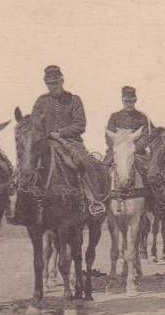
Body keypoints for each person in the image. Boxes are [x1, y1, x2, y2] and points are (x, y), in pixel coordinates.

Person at [25, 64, 105, 218]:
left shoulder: (74, 100)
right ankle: (22, 203)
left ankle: (94, 200)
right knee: (28, 161)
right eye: (49, 84)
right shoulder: (41, 101)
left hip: (71, 141)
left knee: (84, 163)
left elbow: (80, 125)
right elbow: (34, 123)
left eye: (56, 83)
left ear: (62, 81)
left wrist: (60, 133)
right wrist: (44, 133)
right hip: (46, 142)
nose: (53, 87)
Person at [105, 86, 152, 163]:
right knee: (104, 168)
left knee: (147, 171)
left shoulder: (142, 117)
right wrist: (116, 147)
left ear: (135, 101)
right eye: (126, 101)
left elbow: (145, 136)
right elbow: (109, 135)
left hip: (136, 152)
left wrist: (134, 148)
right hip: (117, 151)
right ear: (122, 101)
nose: (128, 104)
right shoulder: (115, 116)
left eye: (131, 101)